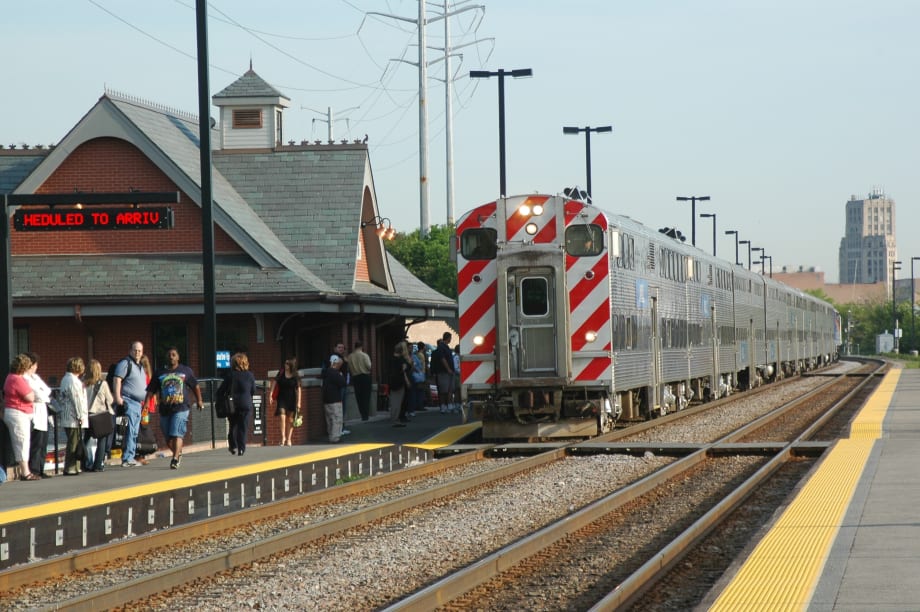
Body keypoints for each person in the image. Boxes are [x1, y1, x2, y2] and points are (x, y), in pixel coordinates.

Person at [145, 346, 203, 469]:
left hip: (181, 407)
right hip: (165, 409)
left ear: (178, 357)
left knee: (177, 433)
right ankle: (178, 452)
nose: (171, 357)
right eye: (169, 355)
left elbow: (195, 386)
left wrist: (199, 401)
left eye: (173, 355)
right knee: (168, 437)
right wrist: (146, 404)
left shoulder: (185, 371)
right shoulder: (159, 373)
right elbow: (151, 390)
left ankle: (175, 459)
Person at [3, 354, 38, 480]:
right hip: (18, 413)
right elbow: (30, 396)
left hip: (15, 413)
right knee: (22, 442)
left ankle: (25, 470)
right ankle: (25, 472)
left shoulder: (10, 377)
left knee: (21, 441)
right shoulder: (17, 379)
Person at [112, 341, 146, 467]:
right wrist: (117, 397)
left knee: (135, 431)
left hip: (138, 404)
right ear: (130, 350)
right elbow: (117, 379)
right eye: (135, 350)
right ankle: (127, 458)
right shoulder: (125, 363)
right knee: (130, 430)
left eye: (139, 351)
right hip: (129, 402)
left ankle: (130, 455)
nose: (137, 353)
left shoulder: (140, 366)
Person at [218, 352, 256, 456]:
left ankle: (233, 445)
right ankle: (241, 448)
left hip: (232, 405)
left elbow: (221, 391)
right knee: (243, 427)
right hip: (246, 403)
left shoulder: (230, 375)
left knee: (233, 426)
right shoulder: (250, 375)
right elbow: (253, 390)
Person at [82, 359, 115, 472]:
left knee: (86, 438)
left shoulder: (83, 384)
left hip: (87, 415)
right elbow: (110, 400)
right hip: (101, 415)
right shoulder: (103, 384)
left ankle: (83, 462)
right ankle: (98, 464)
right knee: (102, 439)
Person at [58, 357, 88, 476]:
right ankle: (71, 467)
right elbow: (77, 399)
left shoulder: (66, 379)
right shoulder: (73, 381)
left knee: (73, 441)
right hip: (73, 417)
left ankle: (74, 466)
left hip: (67, 416)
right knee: (74, 442)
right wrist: (80, 415)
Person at [25, 352, 52, 478]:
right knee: (36, 442)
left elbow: (47, 390)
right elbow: (38, 394)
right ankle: (34, 468)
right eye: (35, 364)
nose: (36, 367)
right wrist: (43, 395)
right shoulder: (25, 378)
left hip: (43, 411)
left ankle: (41, 467)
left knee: (43, 443)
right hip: (35, 412)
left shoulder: (36, 377)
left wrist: (43, 395)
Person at [269, 357, 301, 446]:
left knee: (290, 420)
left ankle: (289, 439)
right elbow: (275, 382)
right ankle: (283, 437)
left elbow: (298, 388)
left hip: (292, 398)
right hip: (281, 398)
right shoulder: (281, 372)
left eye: (287, 364)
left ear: (291, 365)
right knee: (282, 417)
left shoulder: (295, 375)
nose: (285, 365)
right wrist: (271, 394)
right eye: (285, 363)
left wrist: (299, 402)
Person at [322, 354, 347, 442]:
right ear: (336, 363)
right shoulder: (335, 373)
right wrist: (341, 375)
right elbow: (343, 383)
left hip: (326, 400)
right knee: (336, 418)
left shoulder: (326, 372)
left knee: (329, 419)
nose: (340, 366)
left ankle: (330, 435)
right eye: (339, 364)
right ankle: (335, 438)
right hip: (335, 399)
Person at [387, 341, 411, 427]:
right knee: (398, 402)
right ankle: (396, 420)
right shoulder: (401, 360)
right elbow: (404, 371)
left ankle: (394, 418)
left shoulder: (390, 359)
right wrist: (407, 381)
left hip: (392, 382)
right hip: (399, 382)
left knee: (394, 402)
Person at [431, 332, 456, 413]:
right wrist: (448, 368)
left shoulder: (446, 347)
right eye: (450, 338)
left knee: (449, 389)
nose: (451, 340)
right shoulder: (442, 347)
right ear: (448, 338)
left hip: (448, 372)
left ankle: (449, 405)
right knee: (443, 390)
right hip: (443, 372)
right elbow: (443, 359)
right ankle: (443, 406)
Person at [330, 342, 351, 435]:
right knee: (340, 407)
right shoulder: (335, 357)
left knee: (343, 407)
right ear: (335, 348)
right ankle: (339, 429)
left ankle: (342, 427)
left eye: (342, 348)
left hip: (344, 385)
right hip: (339, 386)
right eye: (339, 347)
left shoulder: (343, 358)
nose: (341, 349)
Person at [348, 341, 372, 421]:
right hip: (365, 376)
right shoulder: (364, 355)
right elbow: (369, 366)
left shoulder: (350, 356)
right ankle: (365, 415)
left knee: (359, 397)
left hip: (355, 377)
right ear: (362, 346)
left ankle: (362, 414)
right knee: (366, 396)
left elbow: (349, 368)